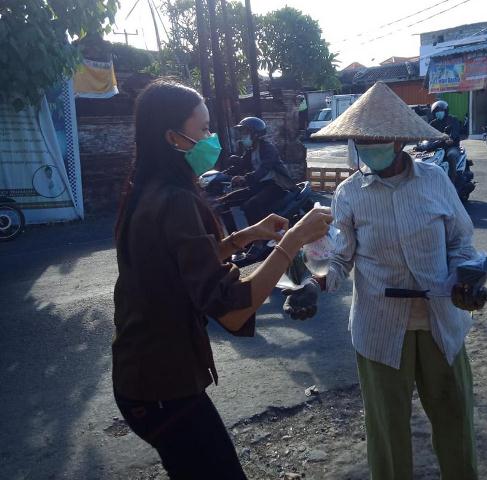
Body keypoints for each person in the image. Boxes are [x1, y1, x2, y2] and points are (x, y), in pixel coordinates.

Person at [112, 79, 332, 479]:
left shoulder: (146, 190)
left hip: (143, 378)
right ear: (173, 138)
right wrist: (293, 240)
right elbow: (232, 309)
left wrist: (247, 236)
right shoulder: (175, 199)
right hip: (162, 387)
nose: (212, 138)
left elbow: (181, 263)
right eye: (203, 130)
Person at [287, 81, 483, 480]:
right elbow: (338, 257)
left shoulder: (435, 181)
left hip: (440, 321)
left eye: (373, 138)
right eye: (359, 139)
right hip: (379, 326)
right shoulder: (350, 193)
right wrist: (314, 282)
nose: (365, 146)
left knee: (455, 420)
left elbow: (462, 243)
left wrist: (468, 280)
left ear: (397, 141)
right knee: (387, 434)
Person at [222, 116, 297, 224]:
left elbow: (264, 169)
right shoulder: (251, 150)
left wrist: (245, 178)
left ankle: (261, 234)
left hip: (277, 185)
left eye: (245, 132)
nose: (243, 136)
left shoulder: (268, 148)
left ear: (255, 134)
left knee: (252, 204)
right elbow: (241, 165)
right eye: (242, 132)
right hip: (261, 185)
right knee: (229, 199)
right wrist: (221, 175)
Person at [429, 100, 462, 182]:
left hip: (451, 146)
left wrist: (451, 138)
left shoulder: (453, 120)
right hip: (436, 146)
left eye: (440, 111)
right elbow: (426, 132)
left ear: (445, 111)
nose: (438, 113)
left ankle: (452, 179)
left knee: (451, 155)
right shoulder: (433, 123)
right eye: (436, 111)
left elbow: (455, 131)